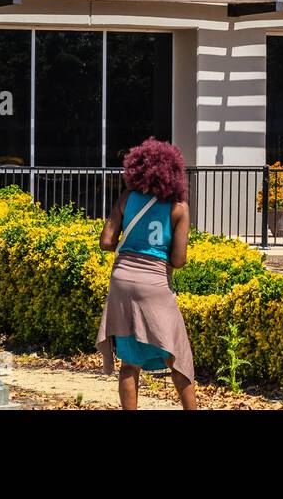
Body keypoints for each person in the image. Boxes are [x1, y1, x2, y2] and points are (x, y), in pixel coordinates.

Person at [97, 138, 197, 410]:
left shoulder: (128, 198)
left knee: (130, 363)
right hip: (154, 283)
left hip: (122, 282)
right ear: (174, 173)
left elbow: (106, 242)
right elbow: (178, 260)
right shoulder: (179, 208)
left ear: (137, 169)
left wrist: (131, 244)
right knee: (177, 355)